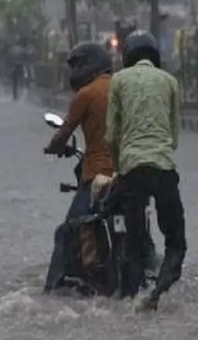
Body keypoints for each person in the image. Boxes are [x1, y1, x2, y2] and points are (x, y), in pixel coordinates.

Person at [105, 31, 186, 311]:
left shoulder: (118, 81)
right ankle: (159, 291)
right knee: (176, 240)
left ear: (127, 56)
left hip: (131, 169)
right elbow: (174, 137)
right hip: (164, 167)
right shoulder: (170, 82)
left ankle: (129, 298)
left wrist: (119, 168)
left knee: (133, 241)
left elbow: (111, 136)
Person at [42, 42, 117, 292]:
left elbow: (63, 133)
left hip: (96, 173)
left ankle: (51, 290)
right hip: (128, 171)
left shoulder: (85, 95)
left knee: (66, 231)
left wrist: (53, 148)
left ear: (89, 65)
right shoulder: (123, 89)